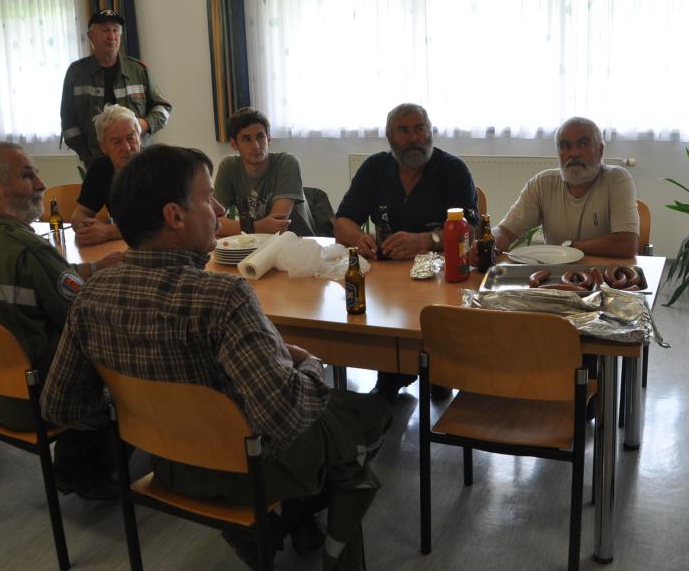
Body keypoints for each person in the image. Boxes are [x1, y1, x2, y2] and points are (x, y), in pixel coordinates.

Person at [40, 145, 391, 571]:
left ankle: (274, 532)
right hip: (247, 470)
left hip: (170, 465)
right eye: (208, 197)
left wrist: (137, 406)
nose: (220, 210)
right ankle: (332, 545)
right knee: (370, 414)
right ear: (174, 216)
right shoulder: (223, 298)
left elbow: (60, 405)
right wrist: (309, 363)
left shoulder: (91, 296)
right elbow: (286, 417)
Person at [0, 142, 123, 499]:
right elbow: (84, 313)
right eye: (28, 175)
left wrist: (90, 269)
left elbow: (43, 279)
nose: (41, 184)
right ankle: (88, 467)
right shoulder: (27, 248)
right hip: (39, 402)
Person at [335, 103, 478, 402]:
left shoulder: (453, 170)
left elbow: (471, 231)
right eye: (404, 130)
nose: (414, 138)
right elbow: (343, 221)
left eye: (419, 128)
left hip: (441, 280)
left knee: (435, 332)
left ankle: (437, 369)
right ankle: (392, 375)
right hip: (387, 280)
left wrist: (426, 240)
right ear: (389, 136)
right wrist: (359, 238)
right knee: (379, 315)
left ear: (430, 131)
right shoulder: (374, 168)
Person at [493, 117, 640, 258]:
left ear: (600, 150)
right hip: (557, 272)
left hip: (607, 273)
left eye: (583, 144)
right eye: (566, 146)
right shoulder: (542, 184)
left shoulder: (616, 179)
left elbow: (627, 244)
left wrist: (571, 247)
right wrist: (490, 243)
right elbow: (504, 231)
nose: (574, 153)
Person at [60, 8, 171, 167]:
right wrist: (87, 154)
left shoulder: (138, 71)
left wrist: (145, 124)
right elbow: (68, 122)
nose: (111, 36)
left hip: (137, 161)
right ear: (91, 36)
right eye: (105, 30)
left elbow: (164, 108)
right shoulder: (76, 74)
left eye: (115, 30)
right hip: (96, 163)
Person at [214, 107, 317, 237]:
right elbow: (214, 222)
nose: (256, 146)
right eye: (246, 139)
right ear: (234, 144)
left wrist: (239, 228)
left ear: (269, 138)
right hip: (256, 243)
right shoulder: (228, 167)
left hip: (297, 243)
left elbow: (277, 226)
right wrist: (257, 227)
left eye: (260, 137)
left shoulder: (287, 163)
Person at [70, 105, 140, 246]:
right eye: (117, 142)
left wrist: (110, 232)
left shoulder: (156, 165)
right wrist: (85, 228)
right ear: (103, 147)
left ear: (139, 136)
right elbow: (81, 213)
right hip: (121, 247)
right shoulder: (100, 168)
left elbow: (161, 225)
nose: (126, 148)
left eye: (131, 138)